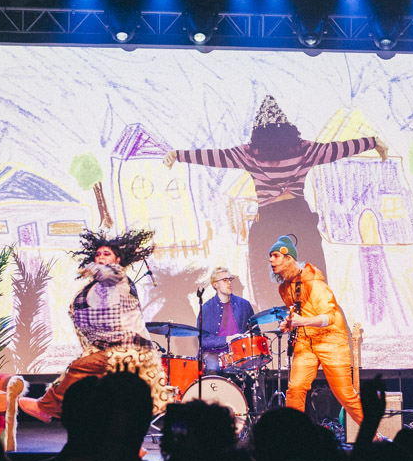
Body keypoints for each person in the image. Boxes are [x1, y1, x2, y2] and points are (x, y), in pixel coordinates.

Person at [163, 95, 389, 309]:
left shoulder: (250, 153)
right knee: (313, 277)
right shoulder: (304, 150)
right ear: (288, 131)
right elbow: (337, 150)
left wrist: (179, 155)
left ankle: (274, 318)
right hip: (298, 217)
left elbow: (216, 157)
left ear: (258, 133)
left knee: (268, 281)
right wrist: (372, 142)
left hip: (269, 220)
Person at [19, 229, 172, 422]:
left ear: (117, 260)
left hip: (130, 351)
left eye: (106, 254)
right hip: (109, 349)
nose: (100, 257)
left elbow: (109, 273)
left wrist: (95, 268)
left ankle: (46, 408)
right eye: (98, 254)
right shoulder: (94, 287)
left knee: (80, 366)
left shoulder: (118, 276)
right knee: (93, 390)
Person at [268, 234, 365, 427]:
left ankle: (373, 434)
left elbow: (330, 317)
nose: (271, 260)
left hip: (331, 341)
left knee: (344, 393)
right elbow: (299, 313)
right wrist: (289, 324)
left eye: (275, 255)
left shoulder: (314, 283)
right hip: (306, 343)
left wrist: (302, 321)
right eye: (270, 256)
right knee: (295, 388)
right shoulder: (284, 288)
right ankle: (293, 434)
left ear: (289, 258)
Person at [197, 266, 255, 374]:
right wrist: (227, 339)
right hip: (214, 354)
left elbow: (255, 331)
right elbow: (204, 340)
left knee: (255, 367)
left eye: (230, 279)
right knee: (212, 366)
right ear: (215, 285)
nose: (229, 283)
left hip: (238, 353)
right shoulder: (206, 308)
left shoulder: (244, 305)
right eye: (225, 280)